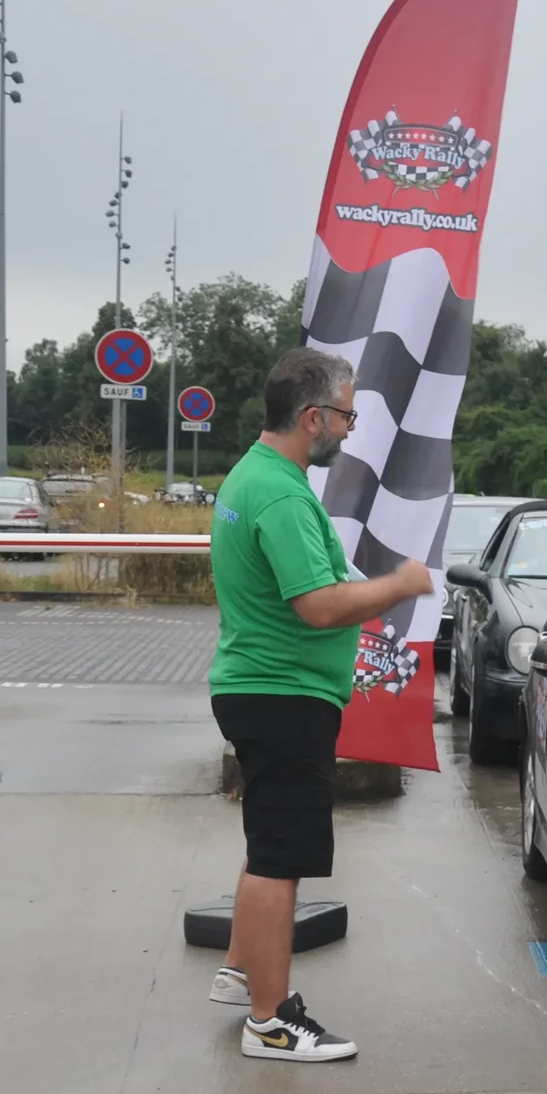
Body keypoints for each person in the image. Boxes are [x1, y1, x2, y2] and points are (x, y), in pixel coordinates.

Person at [205, 347, 435, 1058]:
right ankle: (271, 1022)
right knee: (282, 856)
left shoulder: (260, 476)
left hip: (265, 691)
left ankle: (242, 971)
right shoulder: (278, 491)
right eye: (346, 415)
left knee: (268, 844)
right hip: (283, 696)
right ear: (313, 418)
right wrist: (402, 584)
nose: (350, 427)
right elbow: (319, 605)